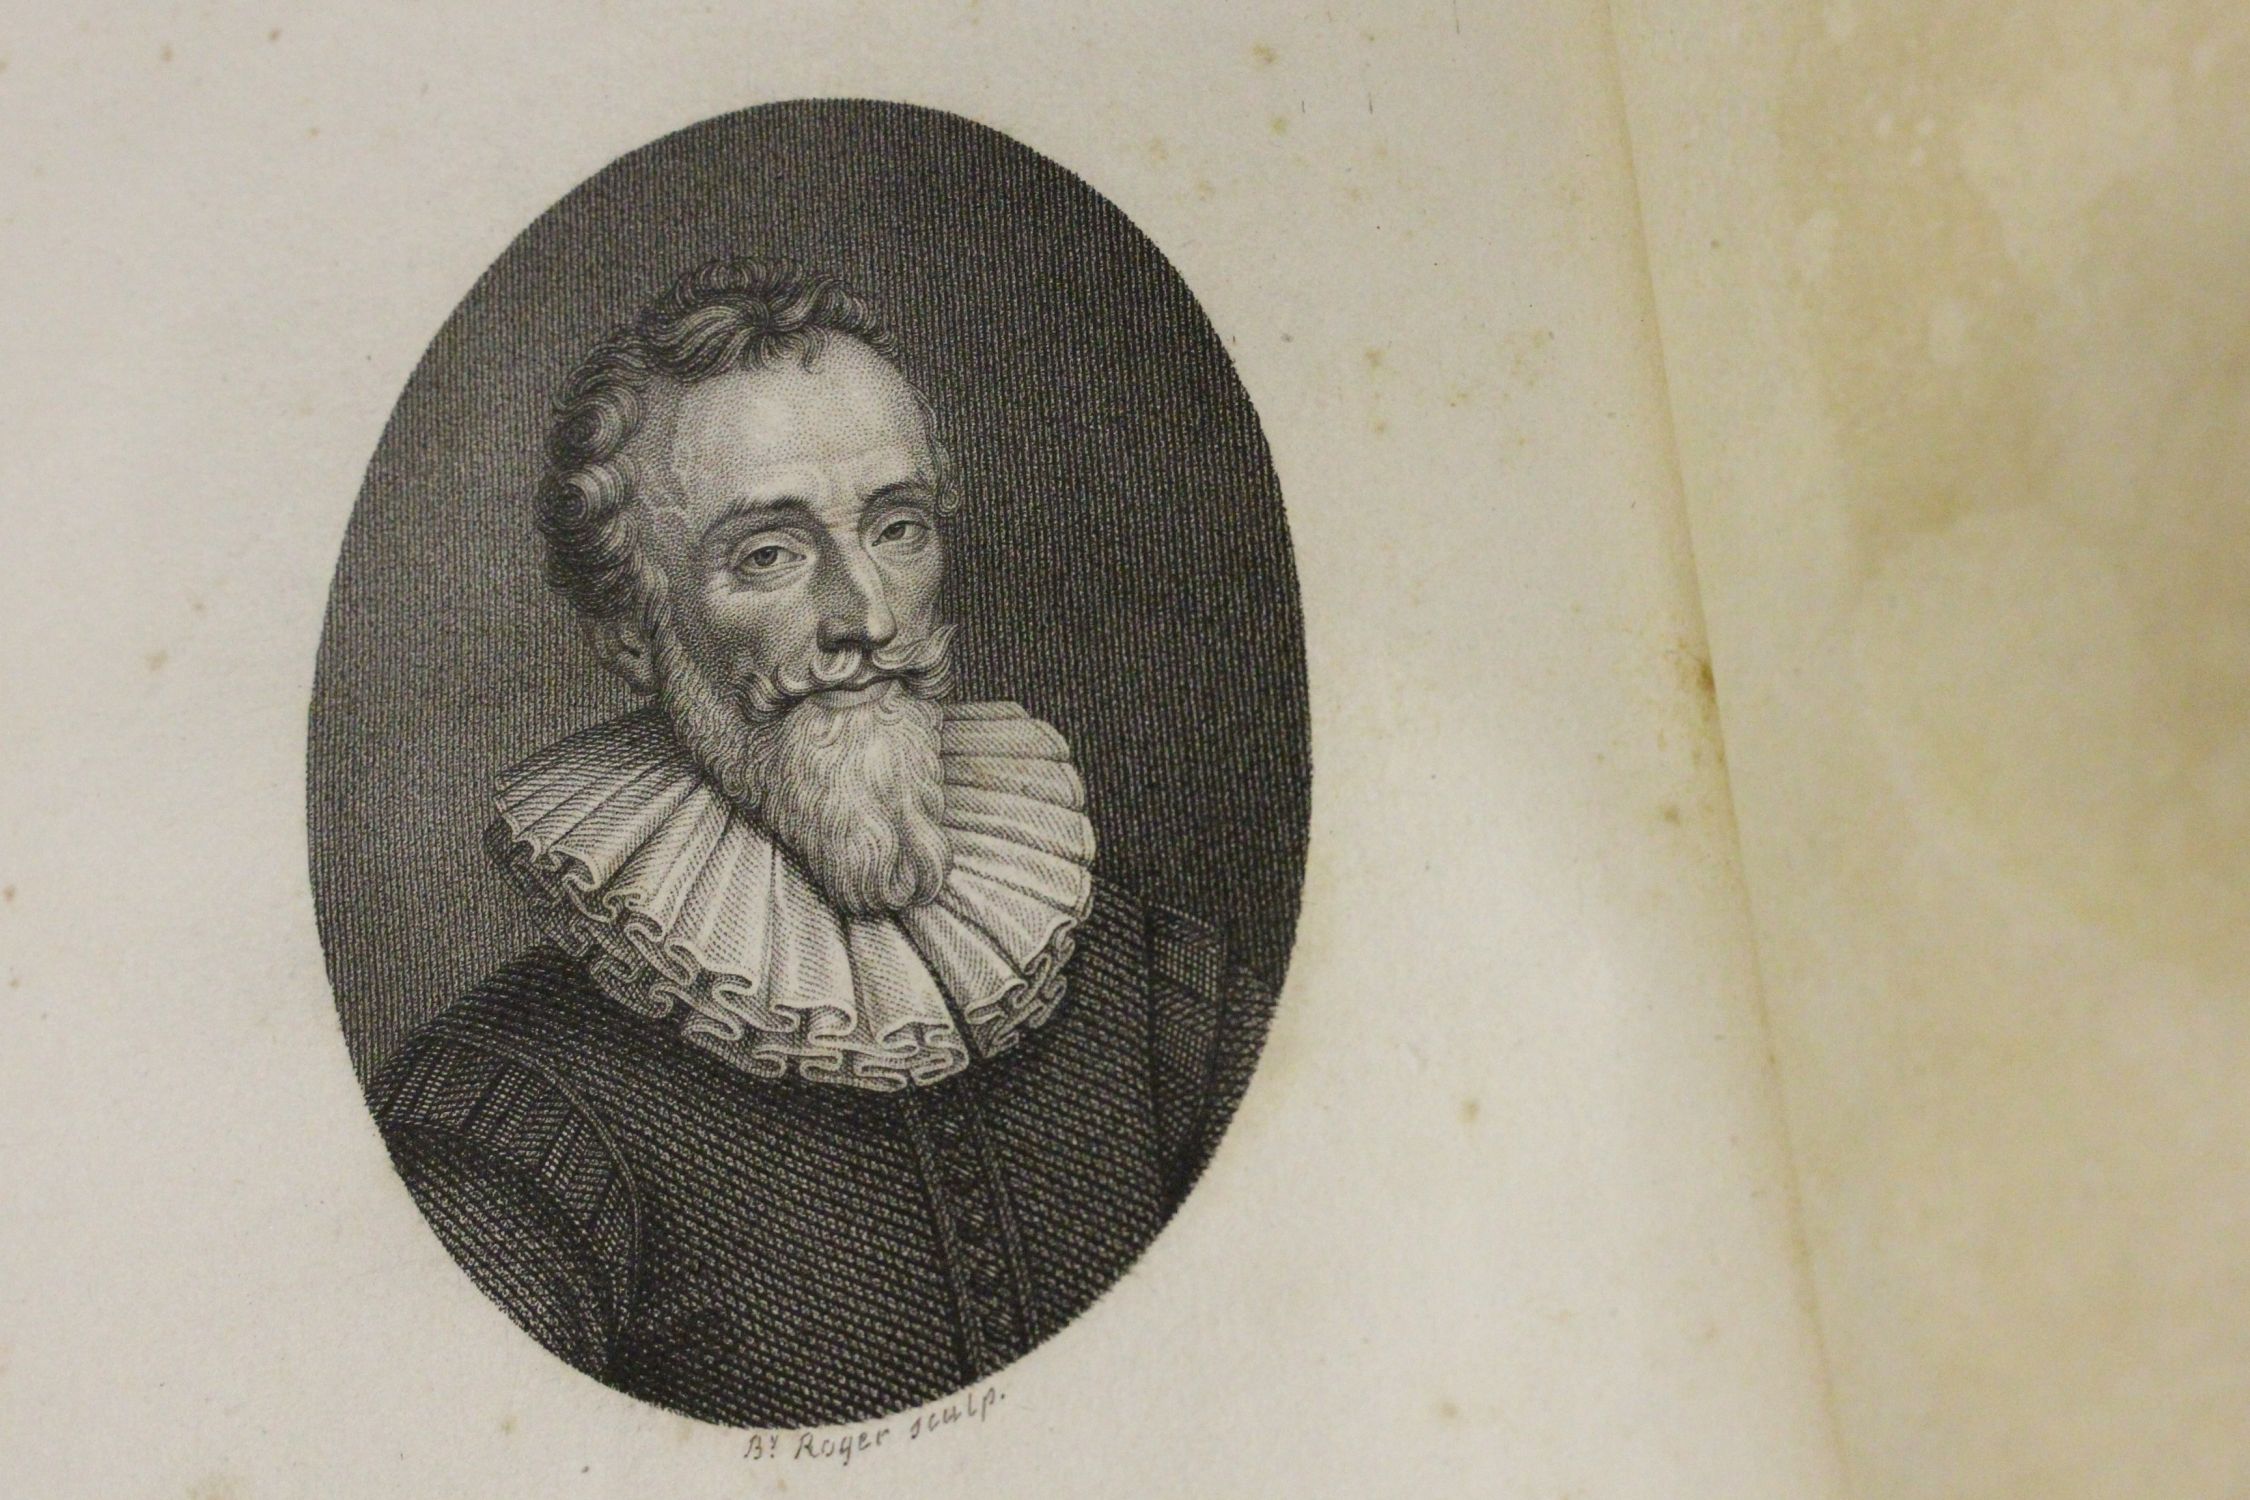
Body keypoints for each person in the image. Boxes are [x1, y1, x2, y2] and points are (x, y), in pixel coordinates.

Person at [370, 257, 1274, 1428]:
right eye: (769, 555)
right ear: (633, 635)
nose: (868, 616)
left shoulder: (1162, 996)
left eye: (898, 529)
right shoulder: (506, 1119)